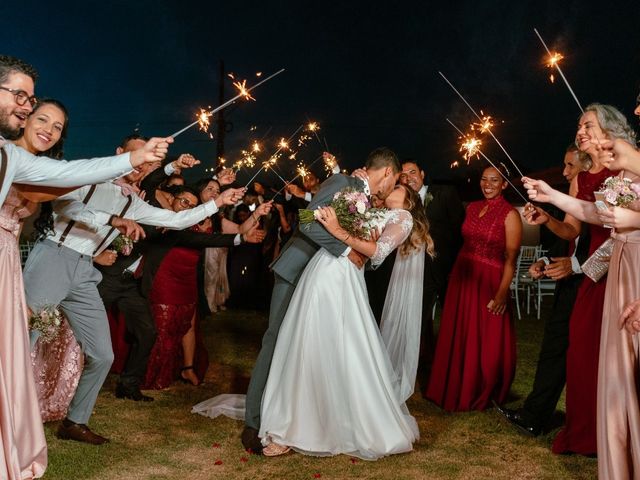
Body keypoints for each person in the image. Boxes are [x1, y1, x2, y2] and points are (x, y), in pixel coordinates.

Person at [0, 55, 170, 480]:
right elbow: (78, 187)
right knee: (19, 343)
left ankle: (67, 421)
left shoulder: (34, 164)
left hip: (28, 262)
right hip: (50, 258)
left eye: (56, 125)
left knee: (39, 351)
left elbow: (72, 175)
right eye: (21, 99)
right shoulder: (17, 156)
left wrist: (212, 201)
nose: (30, 112)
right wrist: (133, 168)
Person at [22, 166, 245, 444]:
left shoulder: (133, 201)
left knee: (103, 355)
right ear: (121, 156)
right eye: (136, 156)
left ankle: (74, 422)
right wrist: (113, 220)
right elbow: (68, 207)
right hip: (55, 255)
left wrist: (217, 203)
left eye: (148, 161)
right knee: (20, 341)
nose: (142, 164)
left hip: (84, 272)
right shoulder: (91, 179)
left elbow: (175, 220)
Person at [241, 147, 401, 454]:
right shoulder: (343, 182)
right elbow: (305, 217)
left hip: (326, 279)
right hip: (298, 269)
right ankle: (255, 420)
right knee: (277, 341)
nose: (392, 189)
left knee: (309, 347)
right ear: (387, 172)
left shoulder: (359, 191)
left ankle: (306, 416)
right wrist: (344, 249)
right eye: (394, 182)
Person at [259, 184, 422, 459]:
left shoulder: (403, 217)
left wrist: (337, 231)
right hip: (321, 269)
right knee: (306, 340)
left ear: (409, 200)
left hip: (344, 278)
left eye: (399, 186)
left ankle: (337, 422)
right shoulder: (366, 205)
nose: (393, 187)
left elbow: (378, 252)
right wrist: (333, 213)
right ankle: (291, 423)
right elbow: (310, 218)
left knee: (343, 345)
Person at [523, 120, 640, 477]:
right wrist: (551, 198)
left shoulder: (626, 169)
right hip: (616, 267)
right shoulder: (613, 176)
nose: (581, 132)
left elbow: (615, 226)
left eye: (588, 124)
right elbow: (587, 219)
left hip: (623, 268)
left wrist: (581, 267)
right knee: (615, 369)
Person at [496, 145, 591, 436]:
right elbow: (569, 234)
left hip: (592, 283)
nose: (564, 172)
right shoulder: (574, 199)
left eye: (570, 166)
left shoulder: (604, 197)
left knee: (583, 356)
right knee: (553, 348)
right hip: (569, 282)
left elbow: (605, 246)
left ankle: (586, 424)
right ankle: (535, 415)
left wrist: (575, 264)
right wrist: (546, 259)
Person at [141, 186, 267, 388]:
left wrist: (257, 214)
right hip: (167, 272)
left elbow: (237, 231)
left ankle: (186, 368)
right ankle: (154, 373)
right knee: (164, 324)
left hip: (188, 274)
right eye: (209, 189)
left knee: (188, 323)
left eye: (217, 190)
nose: (214, 192)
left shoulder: (213, 218)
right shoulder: (179, 215)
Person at [426, 164, 522, 411]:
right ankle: (454, 385)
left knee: (485, 337)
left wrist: (502, 293)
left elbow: (511, 259)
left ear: (504, 184)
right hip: (463, 276)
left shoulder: (510, 214)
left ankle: (479, 387)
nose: (487, 184)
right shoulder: (472, 208)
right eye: (483, 179)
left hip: (490, 279)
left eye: (494, 180)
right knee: (461, 332)